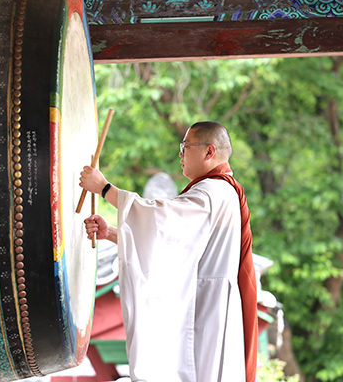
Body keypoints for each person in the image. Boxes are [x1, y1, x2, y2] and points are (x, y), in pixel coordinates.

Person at [79, 121, 258, 382]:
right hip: (208, 300)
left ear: (209, 152)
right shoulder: (218, 191)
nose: (181, 155)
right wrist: (112, 233)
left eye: (185, 147)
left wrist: (105, 189)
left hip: (207, 305)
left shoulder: (214, 191)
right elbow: (170, 244)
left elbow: (160, 220)